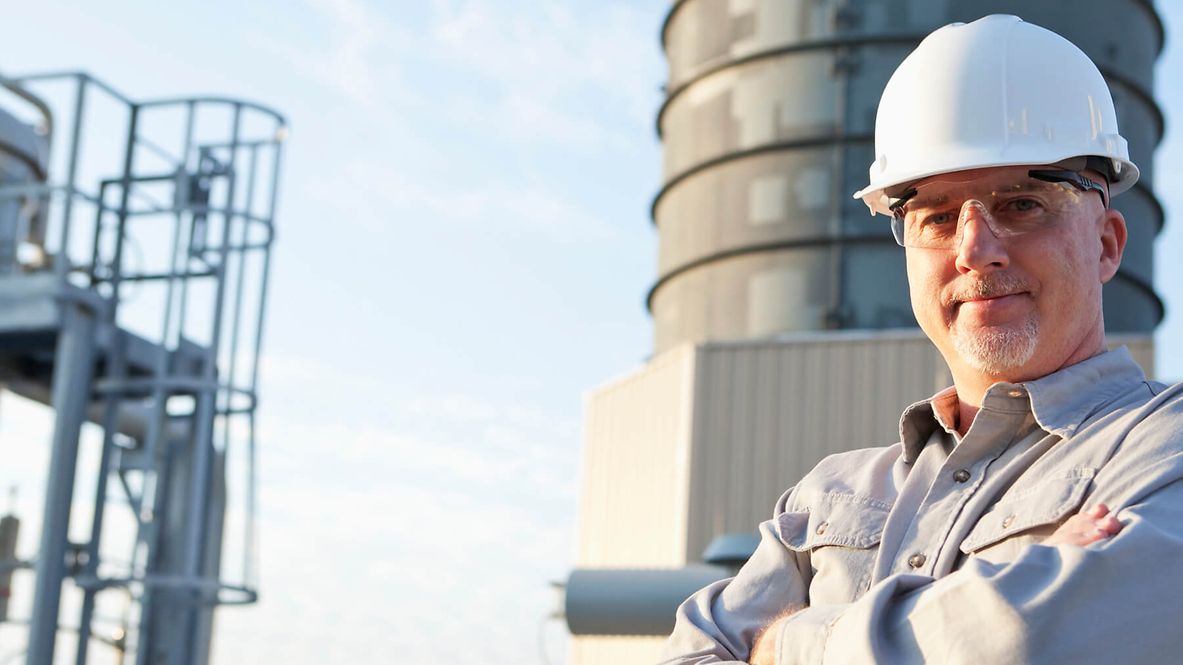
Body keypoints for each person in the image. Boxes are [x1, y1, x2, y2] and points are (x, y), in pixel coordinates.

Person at [659, 14, 1183, 665]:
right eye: (935, 216)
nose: (974, 250)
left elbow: (1028, 645)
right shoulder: (829, 494)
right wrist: (991, 607)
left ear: (1106, 243)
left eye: (1021, 204)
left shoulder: (1163, 448)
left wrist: (777, 645)